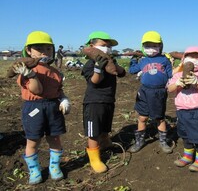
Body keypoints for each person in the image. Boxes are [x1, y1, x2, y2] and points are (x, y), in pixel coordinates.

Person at [12, 31, 71, 184]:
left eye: (48, 48)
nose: (44, 52)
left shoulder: (55, 72)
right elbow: (37, 90)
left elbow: (58, 89)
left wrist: (64, 99)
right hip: (34, 107)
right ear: (29, 51)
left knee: (55, 138)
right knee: (33, 140)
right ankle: (34, 170)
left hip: (53, 106)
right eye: (39, 48)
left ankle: (54, 167)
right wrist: (30, 75)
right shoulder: (24, 70)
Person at [81, 31, 126, 173]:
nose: (106, 49)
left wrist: (113, 63)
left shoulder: (110, 61)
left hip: (108, 99)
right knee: (93, 132)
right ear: (91, 46)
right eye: (103, 45)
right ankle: (94, 158)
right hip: (94, 102)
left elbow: (122, 73)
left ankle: (106, 142)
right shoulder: (90, 64)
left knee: (106, 125)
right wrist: (98, 68)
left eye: (108, 47)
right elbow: (95, 82)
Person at [167, 46, 198, 172]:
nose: (194, 60)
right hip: (182, 111)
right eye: (190, 57)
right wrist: (176, 84)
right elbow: (170, 89)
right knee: (185, 135)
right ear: (183, 59)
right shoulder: (178, 75)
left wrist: (196, 82)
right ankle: (187, 157)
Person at [128, 31, 173, 154]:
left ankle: (163, 142)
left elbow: (171, 75)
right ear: (143, 47)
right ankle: (140, 141)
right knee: (142, 117)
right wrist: (133, 59)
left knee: (159, 118)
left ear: (160, 46)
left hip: (159, 92)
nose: (151, 49)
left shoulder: (164, 60)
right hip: (144, 91)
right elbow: (132, 70)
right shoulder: (143, 61)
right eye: (147, 46)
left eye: (154, 46)